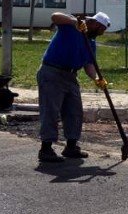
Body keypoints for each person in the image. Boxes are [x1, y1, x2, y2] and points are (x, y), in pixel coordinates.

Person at [37, 11, 111, 163]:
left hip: (70, 76)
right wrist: (73, 22)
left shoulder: (90, 42)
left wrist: (97, 79)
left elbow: (88, 63)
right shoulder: (71, 27)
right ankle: (46, 149)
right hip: (52, 72)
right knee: (51, 110)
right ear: (96, 25)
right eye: (102, 30)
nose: (102, 34)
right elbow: (54, 16)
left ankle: (71, 147)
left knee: (74, 111)